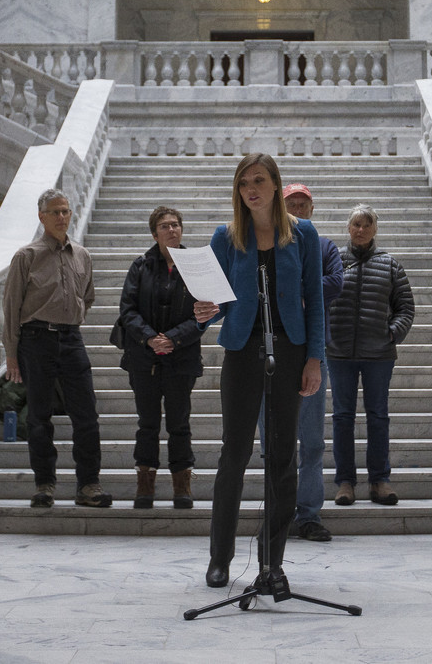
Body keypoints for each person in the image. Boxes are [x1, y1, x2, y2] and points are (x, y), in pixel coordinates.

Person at [193, 153, 324, 590]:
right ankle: (220, 558)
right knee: (235, 454)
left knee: (283, 458)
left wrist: (314, 359)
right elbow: (214, 304)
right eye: (244, 182)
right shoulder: (226, 236)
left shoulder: (303, 233)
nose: (252, 188)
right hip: (242, 351)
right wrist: (204, 311)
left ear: (274, 185)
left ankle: (272, 560)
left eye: (260, 181)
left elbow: (316, 300)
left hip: (289, 351)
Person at [3, 188, 112, 509]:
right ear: (42, 217)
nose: (62, 217)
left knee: (87, 415)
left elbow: (87, 297)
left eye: (65, 211)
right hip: (36, 340)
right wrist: (11, 354)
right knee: (38, 416)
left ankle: (89, 484)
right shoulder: (27, 256)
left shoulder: (82, 255)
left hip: (71, 339)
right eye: (55, 212)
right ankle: (45, 484)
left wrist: (69, 316)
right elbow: (11, 307)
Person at [116, 206, 204, 510]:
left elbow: (205, 313)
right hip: (145, 358)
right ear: (155, 233)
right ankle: (146, 485)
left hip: (182, 358)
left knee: (180, 423)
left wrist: (175, 338)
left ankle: (182, 486)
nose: (172, 230)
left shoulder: (196, 265)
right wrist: (151, 338)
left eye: (176, 225)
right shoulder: (140, 267)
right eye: (165, 226)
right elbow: (127, 310)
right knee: (148, 423)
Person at [328, 203, 415, 507]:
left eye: (367, 224)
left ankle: (380, 480)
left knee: (378, 417)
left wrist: (392, 332)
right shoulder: (333, 261)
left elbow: (406, 308)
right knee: (342, 418)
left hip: (379, 354)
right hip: (339, 353)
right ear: (348, 229)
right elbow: (319, 300)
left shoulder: (390, 264)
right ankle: (345, 482)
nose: (361, 230)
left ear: (375, 229)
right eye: (356, 225)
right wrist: (326, 334)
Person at [279, 183, 343, 542]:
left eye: (303, 205)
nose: (298, 211)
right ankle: (279, 511)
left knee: (313, 441)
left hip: (312, 352)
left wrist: (295, 291)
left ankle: (309, 515)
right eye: (292, 204)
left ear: (312, 209)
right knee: (275, 442)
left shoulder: (323, 246)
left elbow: (335, 282)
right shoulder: (268, 242)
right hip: (274, 351)